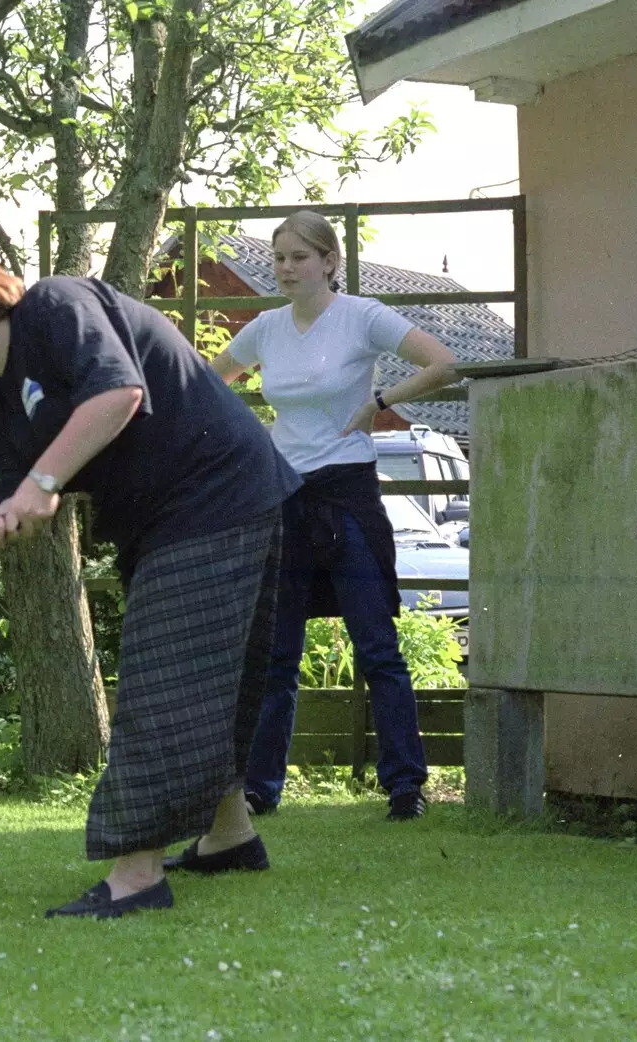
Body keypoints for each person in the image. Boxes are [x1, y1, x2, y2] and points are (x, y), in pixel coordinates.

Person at [0, 250, 301, 919]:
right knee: (209, 676)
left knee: (163, 677)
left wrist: (36, 487)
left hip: (217, 489)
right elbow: (27, 497)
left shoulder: (55, 306)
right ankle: (229, 835)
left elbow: (118, 394)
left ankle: (136, 877)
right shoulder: (1, 409)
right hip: (169, 517)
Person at [202, 210, 460, 823]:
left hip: (347, 495)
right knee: (276, 655)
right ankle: (262, 789)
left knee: (376, 646)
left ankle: (404, 787)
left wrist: (380, 403)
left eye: (298, 257)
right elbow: (209, 382)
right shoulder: (265, 329)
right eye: (280, 257)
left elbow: (444, 361)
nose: (286, 268)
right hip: (283, 497)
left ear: (329, 263)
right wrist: (248, 443)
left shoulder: (362, 318)